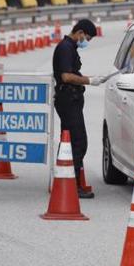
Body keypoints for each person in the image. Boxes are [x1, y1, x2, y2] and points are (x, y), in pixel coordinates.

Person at [52, 19, 100, 198]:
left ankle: (65, 179)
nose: (86, 41)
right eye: (86, 38)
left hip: (71, 99)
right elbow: (65, 76)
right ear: (79, 32)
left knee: (69, 141)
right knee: (78, 141)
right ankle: (74, 184)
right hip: (68, 99)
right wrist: (89, 81)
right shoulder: (65, 48)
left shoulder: (70, 47)